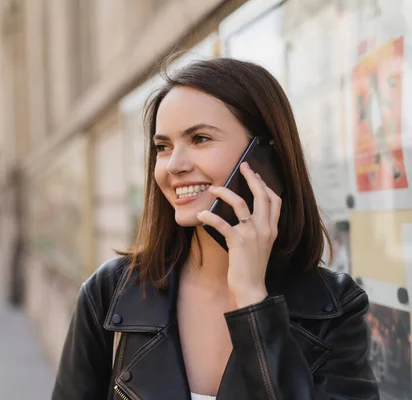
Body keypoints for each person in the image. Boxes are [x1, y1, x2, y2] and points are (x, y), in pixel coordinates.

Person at [51, 58, 379, 399]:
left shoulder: (335, 308)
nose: (174, 165)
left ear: (267, 157)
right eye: (163, 147)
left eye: (200, 138)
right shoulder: (109, 293)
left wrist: (252, 300)